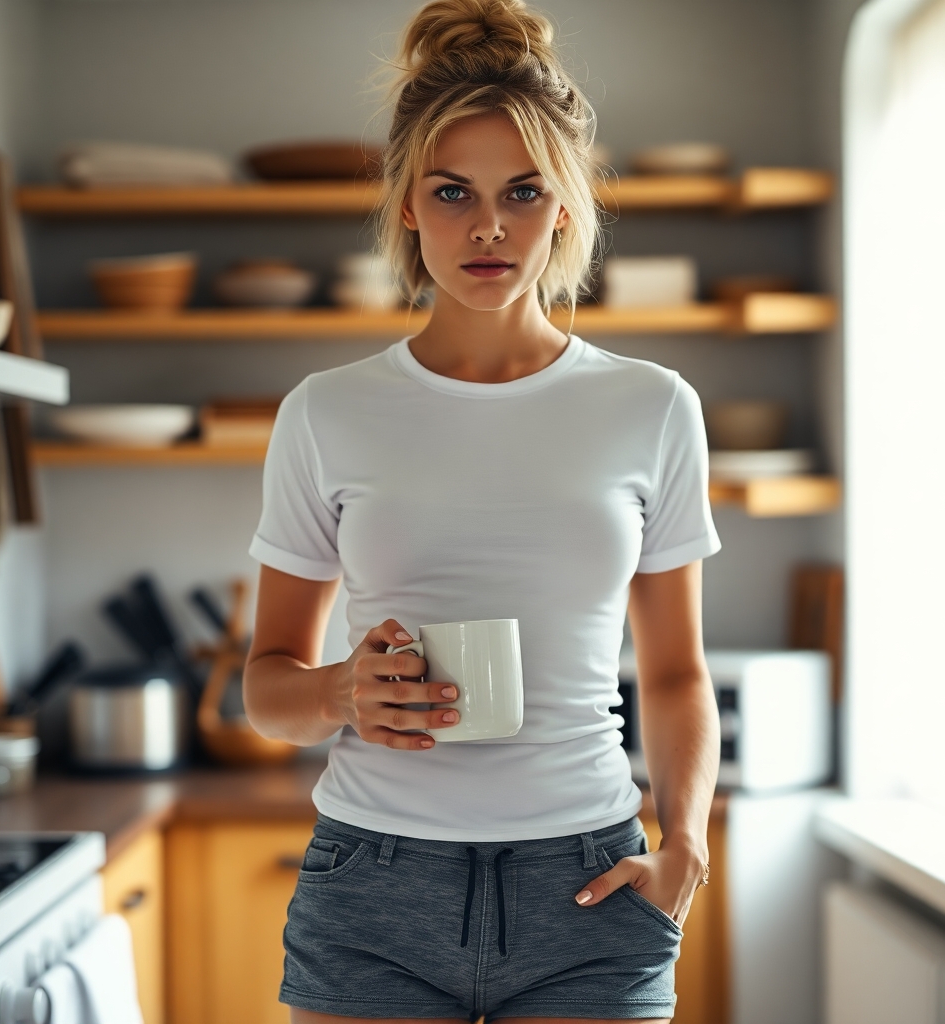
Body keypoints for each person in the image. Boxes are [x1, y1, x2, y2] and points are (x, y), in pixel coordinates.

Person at [244, 2, 721, 1022]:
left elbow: (676, 672)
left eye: (523, 191)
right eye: (452, 191)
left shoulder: (651, 406)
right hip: (371, 894)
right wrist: (338, 690)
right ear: (408, 205)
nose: (489, 227)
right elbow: (266, 688)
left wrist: (686, 845)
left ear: (566, 205)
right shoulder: (326, 411)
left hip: (589, 890)